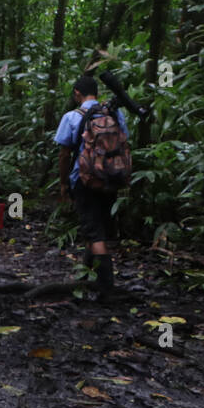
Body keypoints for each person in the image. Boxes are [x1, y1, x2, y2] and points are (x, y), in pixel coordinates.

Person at [55, 74, 129, 302]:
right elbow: (124, 140)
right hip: (110, 179)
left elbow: (64, 154)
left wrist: (64, 182)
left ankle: (106, 288)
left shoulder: (71, 117)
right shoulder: (115, 113)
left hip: (84, 180)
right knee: (97, 229)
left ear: (77, 93)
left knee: (93, 231)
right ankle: (85, 274)